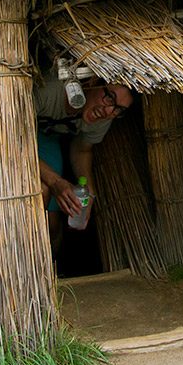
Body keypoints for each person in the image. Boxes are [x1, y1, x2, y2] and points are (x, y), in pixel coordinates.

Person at [34, 75, 134, 241]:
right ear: (92, 83)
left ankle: (50, 264)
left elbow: (81, 149)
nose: (109, 111)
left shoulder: (105, 116)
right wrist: (55, 182)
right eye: (110, 98)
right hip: (19, 134)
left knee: (52, 224)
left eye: (119, 109)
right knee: (41, 194)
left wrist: (89, 193)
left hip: (48, 140)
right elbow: (8, 138)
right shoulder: (49, 91)